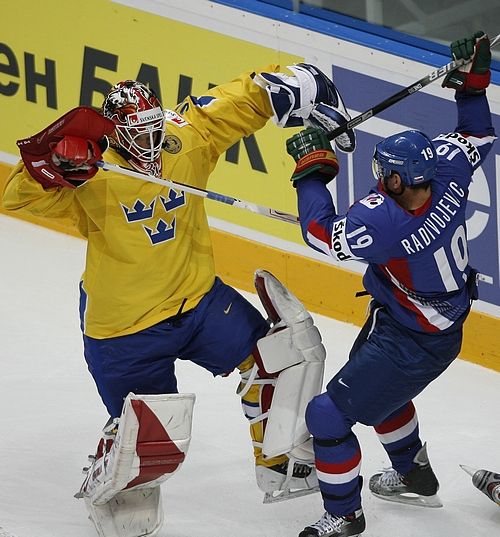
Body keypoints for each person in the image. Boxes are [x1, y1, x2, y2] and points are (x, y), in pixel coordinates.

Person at [2, 63, 355, 537]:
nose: (149, 143)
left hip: (198, 302)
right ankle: (115, 486)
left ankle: (279, 461)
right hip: (126, 327)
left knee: (280, 359)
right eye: (136, 134)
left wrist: (289, 83)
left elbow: (237, 103)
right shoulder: (92, 173)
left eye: (153, 129)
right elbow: (16, 199)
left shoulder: (185, 139)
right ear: (116, 134)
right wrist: (52, 171)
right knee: (149, 444)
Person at [285, 32, 496, 537]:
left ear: (399, 182)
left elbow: (319, 233)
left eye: (384, 177)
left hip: (414, 339)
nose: (379, 182)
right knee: (381, 396)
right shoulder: (447, 169)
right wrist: (471, 85)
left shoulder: (385, 223)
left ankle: (344, 514)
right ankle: (412, 473)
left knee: (329, 417)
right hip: (418, 321)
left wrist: (311, 172)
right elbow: (480, 134)